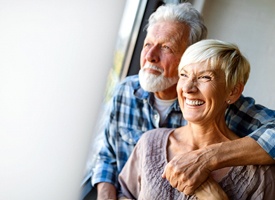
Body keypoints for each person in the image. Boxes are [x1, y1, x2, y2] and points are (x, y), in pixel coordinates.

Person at [91, 3, 275, 199]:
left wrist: (208, 158)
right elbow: (107, 156)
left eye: (166, 47)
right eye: (147, 44)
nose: (150, 56)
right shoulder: (126, 92)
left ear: (190, 54)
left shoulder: (227, 107)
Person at [118, 39, 275, 200]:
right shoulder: (149, 143)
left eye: (205, 77)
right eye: (184, 75)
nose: (187, 88)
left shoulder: (260, 175)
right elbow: (125, 194)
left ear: (233, 92)